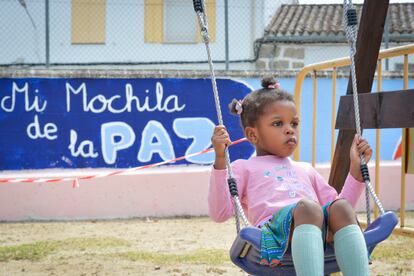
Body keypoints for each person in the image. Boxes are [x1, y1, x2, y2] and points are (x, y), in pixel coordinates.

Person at [208, 76, 372, 276]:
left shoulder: (305, 169)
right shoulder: (243, 168)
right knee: (309, 208)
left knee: (341, 207)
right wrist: (219, 160)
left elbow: (340, 209)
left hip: (315, 229)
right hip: (274, 236)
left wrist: (356, 168)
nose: (289, 130)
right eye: (278, 124)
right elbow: (219, 213)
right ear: (253, 135)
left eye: (294, 123)